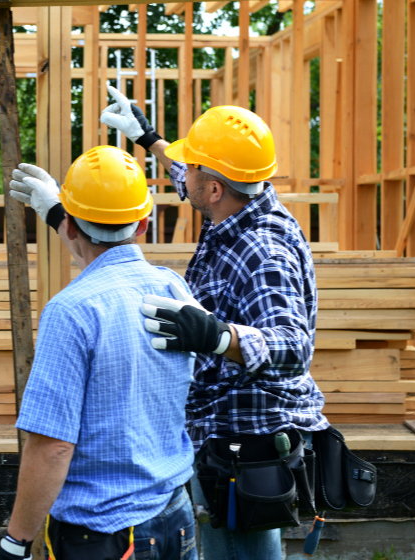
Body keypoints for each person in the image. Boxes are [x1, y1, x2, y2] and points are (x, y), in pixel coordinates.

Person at [100, 86, 329, 559]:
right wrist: (149, 138)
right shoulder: (235, 202)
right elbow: (188, 176)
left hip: (248, 441)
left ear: (217, 188)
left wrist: (218, 336)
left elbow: (292, 347)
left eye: (197, 168)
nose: (187, 176)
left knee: (242, 551)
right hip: (220, 431)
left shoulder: (262, 251)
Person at [0, 145, 197, 560]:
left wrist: (15, 541)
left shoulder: (72, 311)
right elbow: (109, 257)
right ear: (144, 223)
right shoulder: (173, 289)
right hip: (174, 517)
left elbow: (52, 446)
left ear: (69, 226)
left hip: (103, 536)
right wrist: (58, 212)